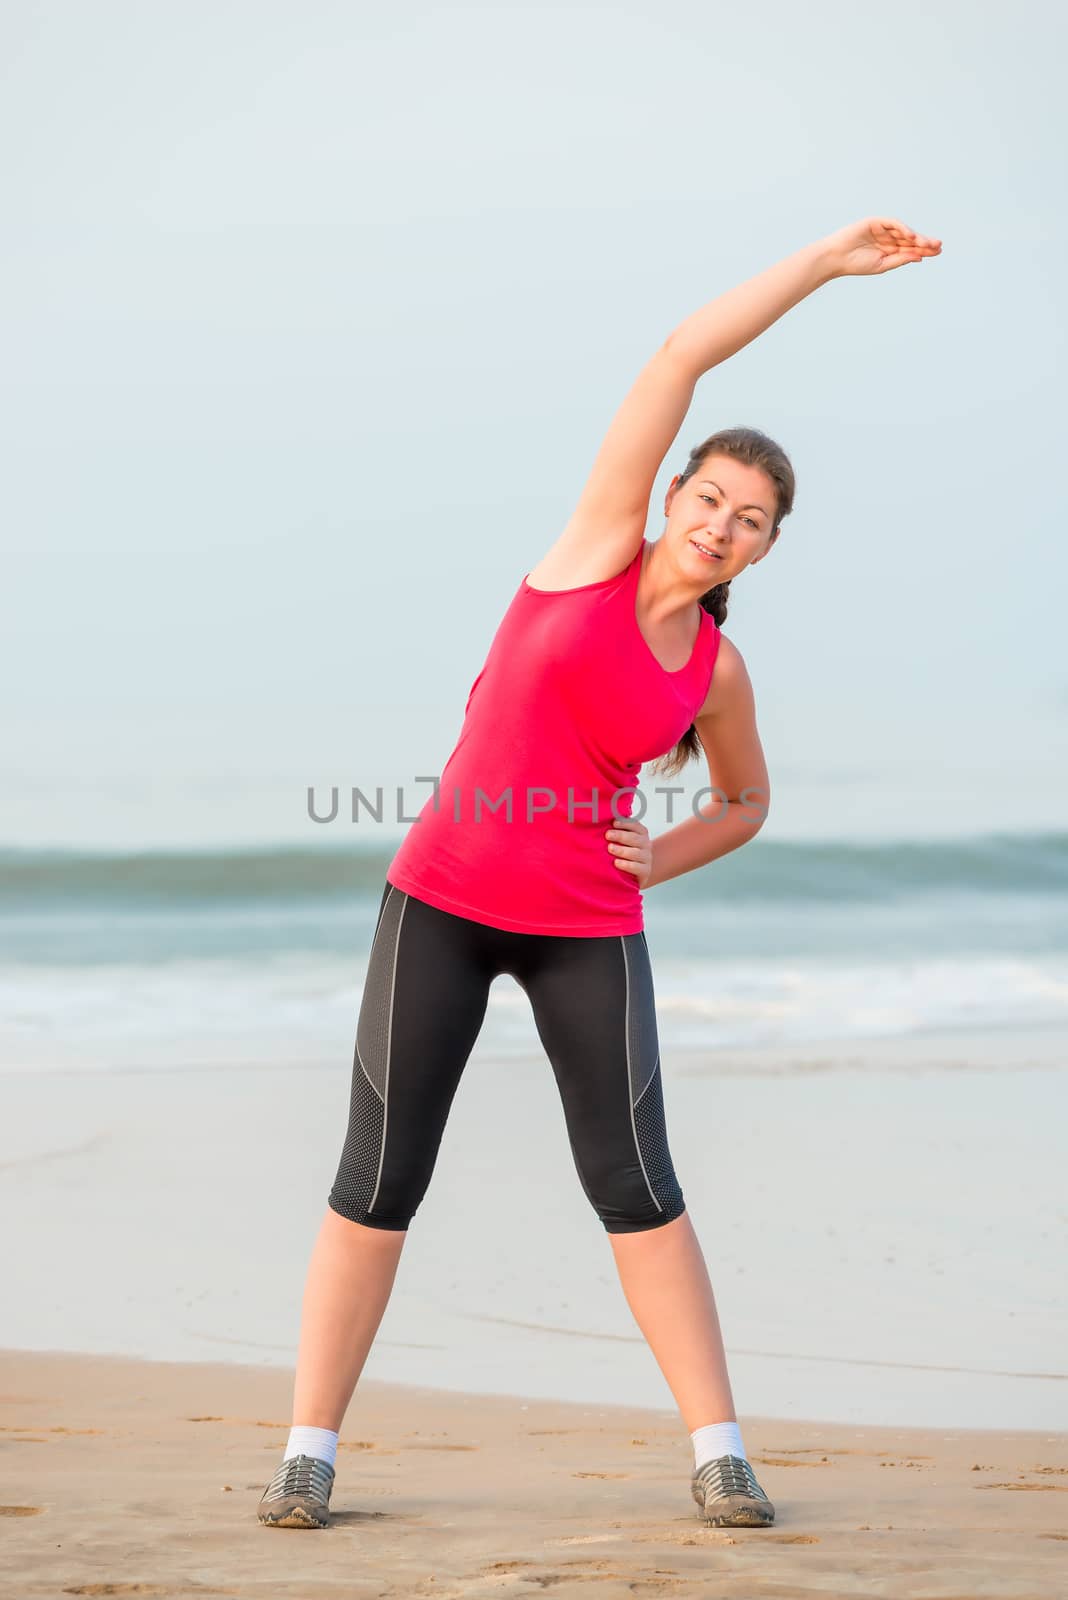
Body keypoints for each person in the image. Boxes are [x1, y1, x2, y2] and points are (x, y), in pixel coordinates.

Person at [258, 216, 942, 1531]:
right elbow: (681, 354)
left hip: (587, 928)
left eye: (749, 523)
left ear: (763, 549)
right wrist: (818, 268)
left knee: (637, 1187)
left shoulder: (715, 672)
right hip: (442, 905)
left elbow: (745, 801)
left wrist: (658, 856)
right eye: (709, 502)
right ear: (672, 498)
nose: (722, 527)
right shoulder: (587, 554)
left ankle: (720, 1451)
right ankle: (309, 1451)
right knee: (379, 1178)